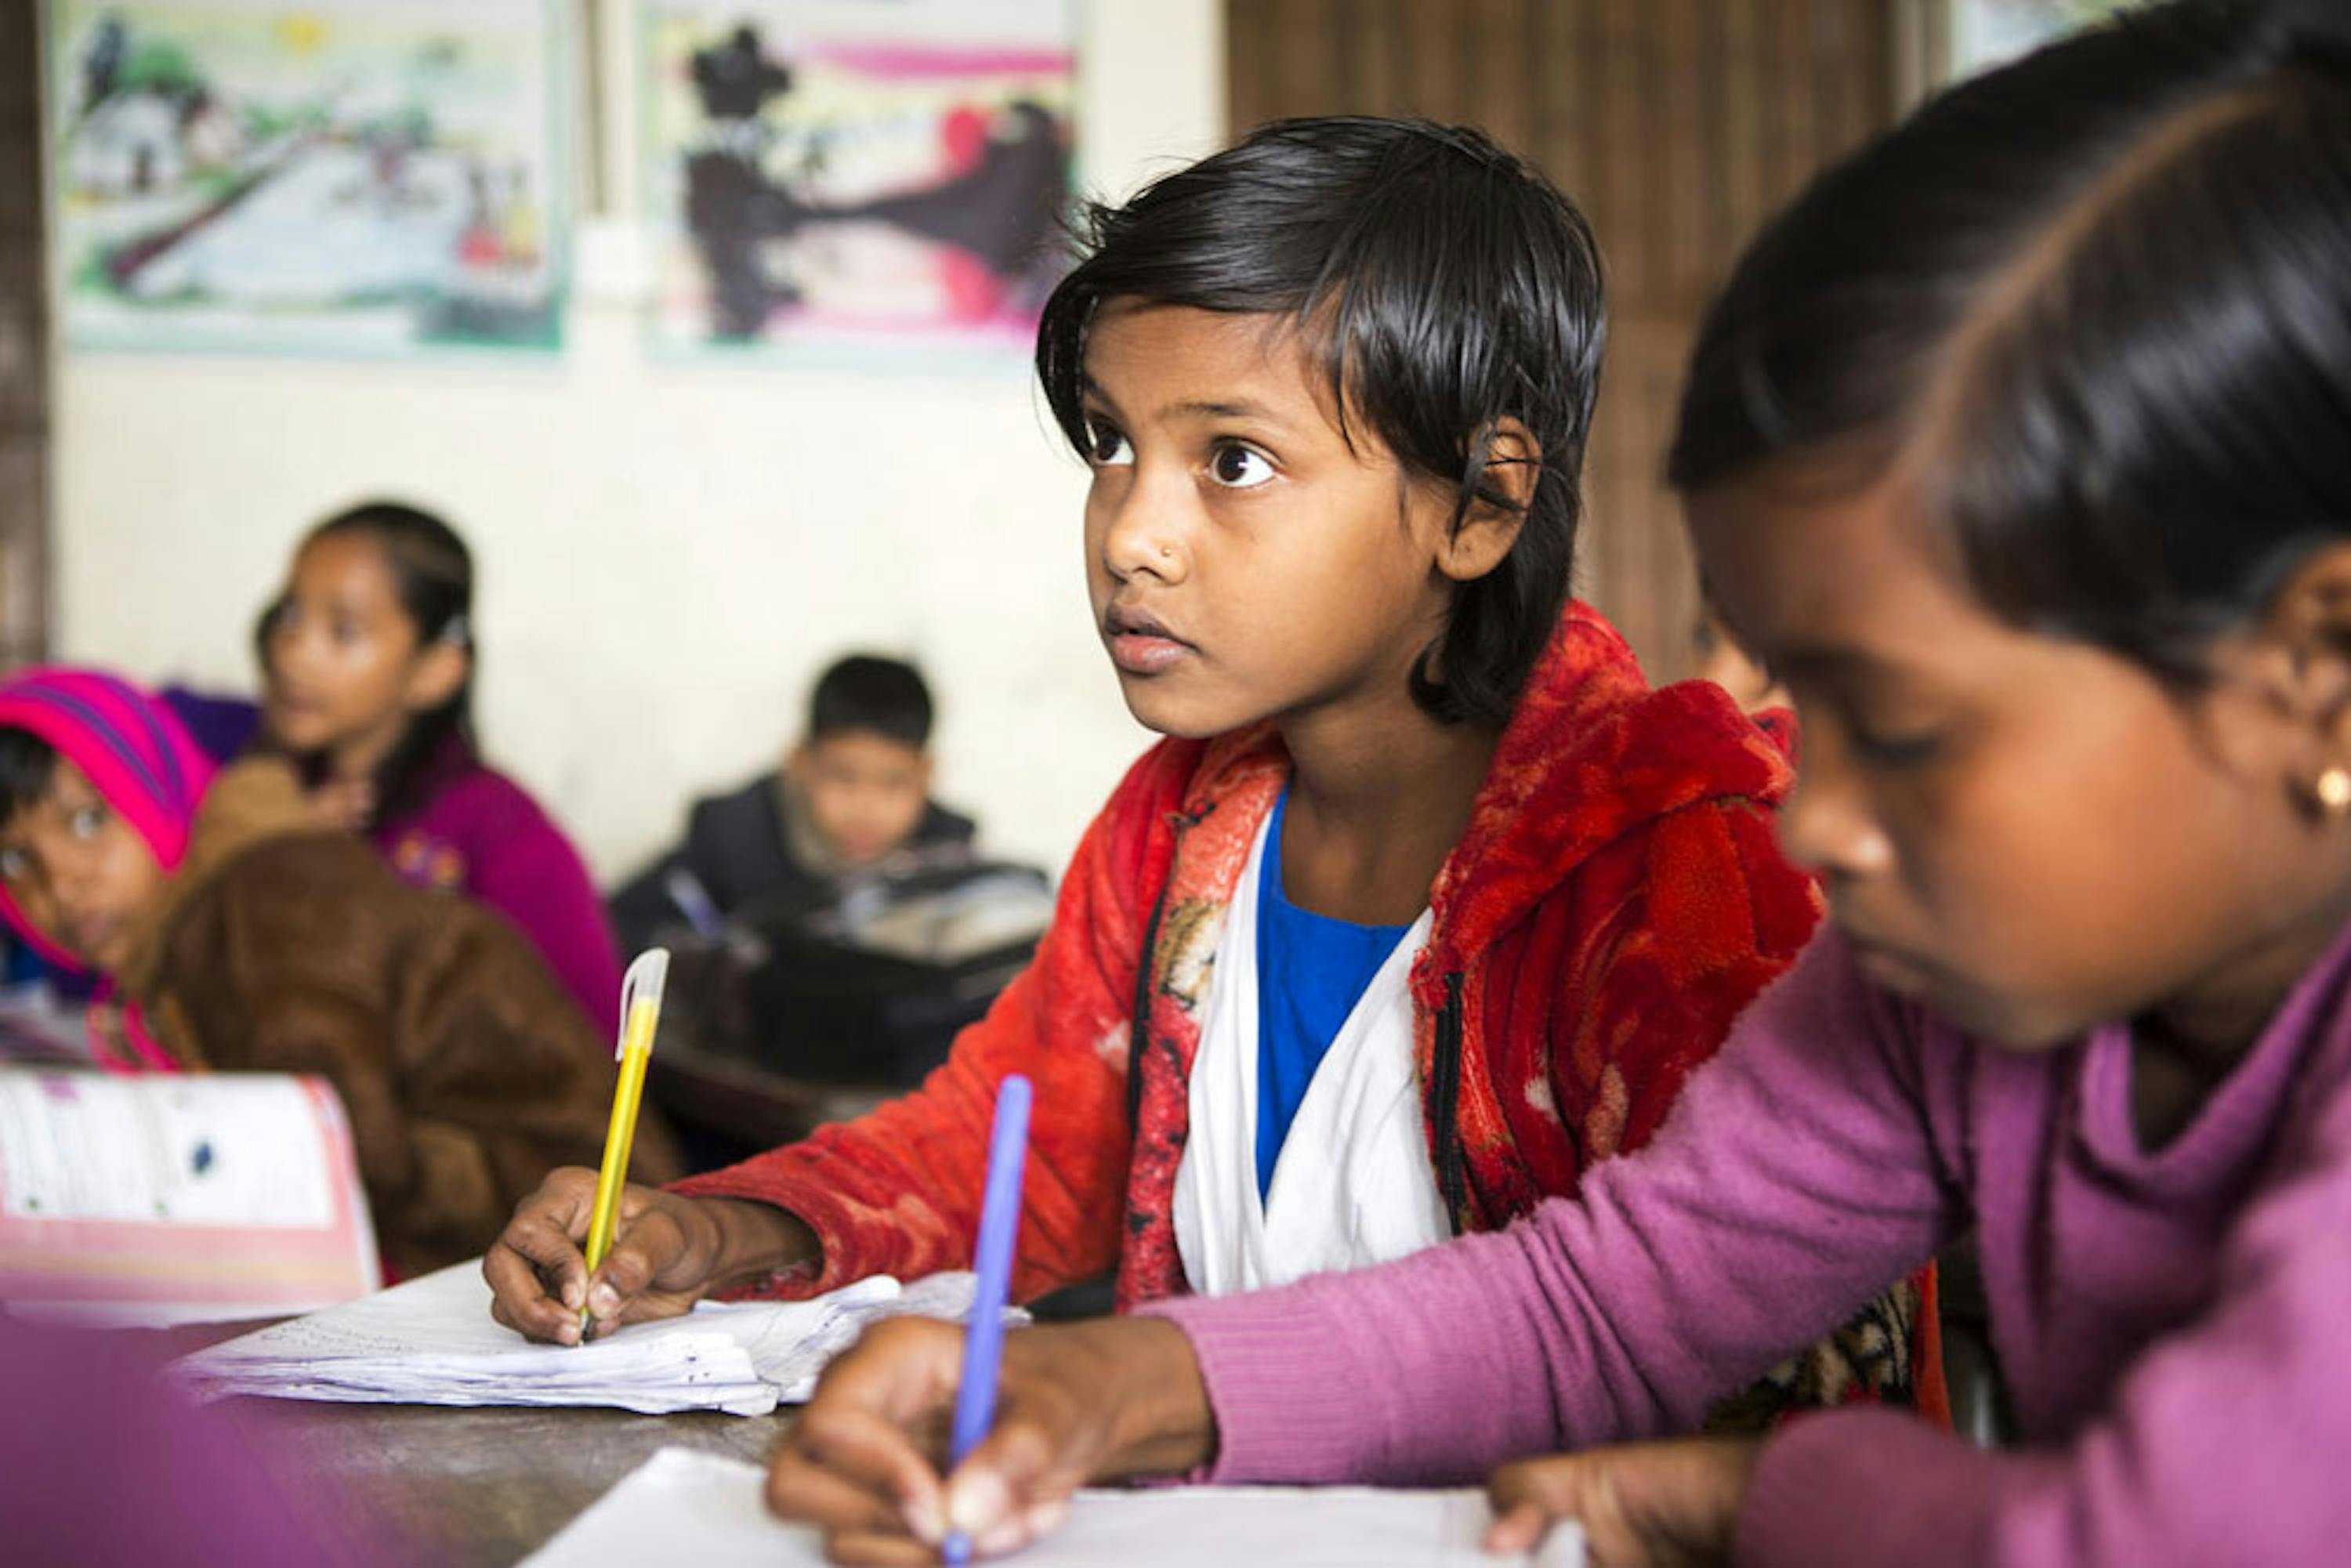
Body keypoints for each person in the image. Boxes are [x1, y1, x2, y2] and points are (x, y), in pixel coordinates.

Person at [759, 4, 2351, 1565]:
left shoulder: (1697, 866)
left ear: (2322, 673)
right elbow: (1614, 1296)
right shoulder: (1933, 978)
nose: (1814, 814)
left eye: (1911, 726)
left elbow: (2154, 1532)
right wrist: (1103, 1383)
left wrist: (1759, 1507)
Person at [486, 116, 1933, 1424]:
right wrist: (707, 1229)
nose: (1131, 532)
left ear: (1484, 500)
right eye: (1113, 443)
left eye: (1233, 460)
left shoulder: (1681, 874)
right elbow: (1023, 1149)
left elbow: (1796, 1431)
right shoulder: (1188, 820)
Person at [0, 668, 674, 1277]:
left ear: (157, 785)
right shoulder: (184, 941)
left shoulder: (266, 905)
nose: (62, 884)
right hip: (503, 1251)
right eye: (18, 861)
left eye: (88, 821)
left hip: (600, 1238)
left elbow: (337, 1167)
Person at [254, 499, 625, 1033]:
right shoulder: (260, 791)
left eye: (343, 631)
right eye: (291, 616)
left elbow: (590, 1040)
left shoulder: (502, 833)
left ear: (434, 670)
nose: (294, 654)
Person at [608, 653, 976, 952]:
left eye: (894, 784)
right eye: (842, 778)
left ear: (927, 775)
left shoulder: (950, 858)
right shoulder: (734, 838)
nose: (866, 809)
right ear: (799, 762)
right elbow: (615, 930)